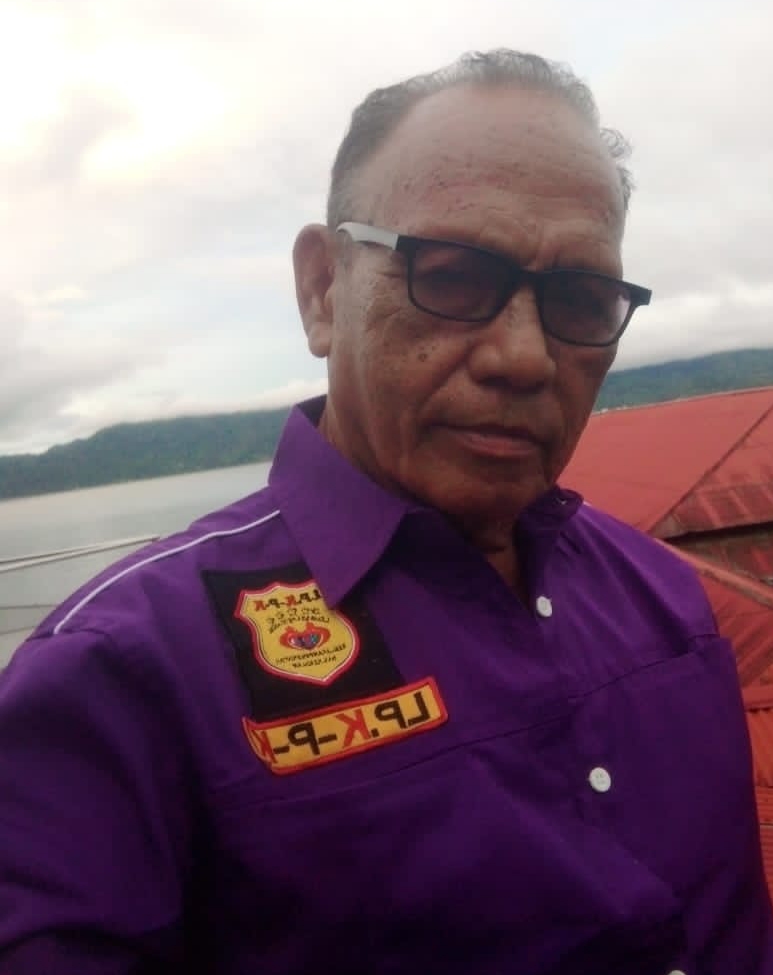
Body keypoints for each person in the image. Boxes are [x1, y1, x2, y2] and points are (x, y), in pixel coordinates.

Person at [0, 49, 771, 975]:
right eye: (450, 277)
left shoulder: (664, 599)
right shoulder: (126, 676)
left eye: (581, 298)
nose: (524, 357)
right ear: (323, 290)